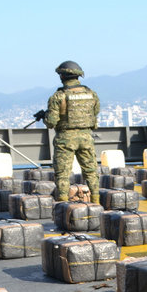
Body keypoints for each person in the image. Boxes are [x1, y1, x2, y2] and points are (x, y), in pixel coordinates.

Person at [44, 61, 100, 203]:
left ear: (62, 76)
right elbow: (95, 112)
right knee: (91, 172)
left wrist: (44, 117)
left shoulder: (58, 96)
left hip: (65, 138)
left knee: (63, 174)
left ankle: (63, 205)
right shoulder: (91, 94)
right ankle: (96, 202)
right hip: (86, 137)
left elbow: (51, 122)